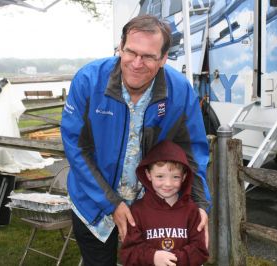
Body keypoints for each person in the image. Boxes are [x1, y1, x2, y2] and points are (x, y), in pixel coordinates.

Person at [60, 15, 211, 266]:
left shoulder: (180, 91)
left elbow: (192, 151)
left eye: (149, 56)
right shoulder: (88, 81)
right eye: (131, 52)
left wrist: (201, 202)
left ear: (163, 59)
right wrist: (112, 203)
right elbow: (76, 148)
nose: (137, 63)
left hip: (150, 206)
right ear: (120, 47)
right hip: (92, 202)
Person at [120, 140, 209, 266]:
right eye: (160, 176)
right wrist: (153, 257)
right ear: (148, 175)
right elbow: (128, 253)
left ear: (184, 177)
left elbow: (200, 250)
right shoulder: (137, 211)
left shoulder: (192, 210)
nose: (168, 184)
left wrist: (174, 259)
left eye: (175, 177)